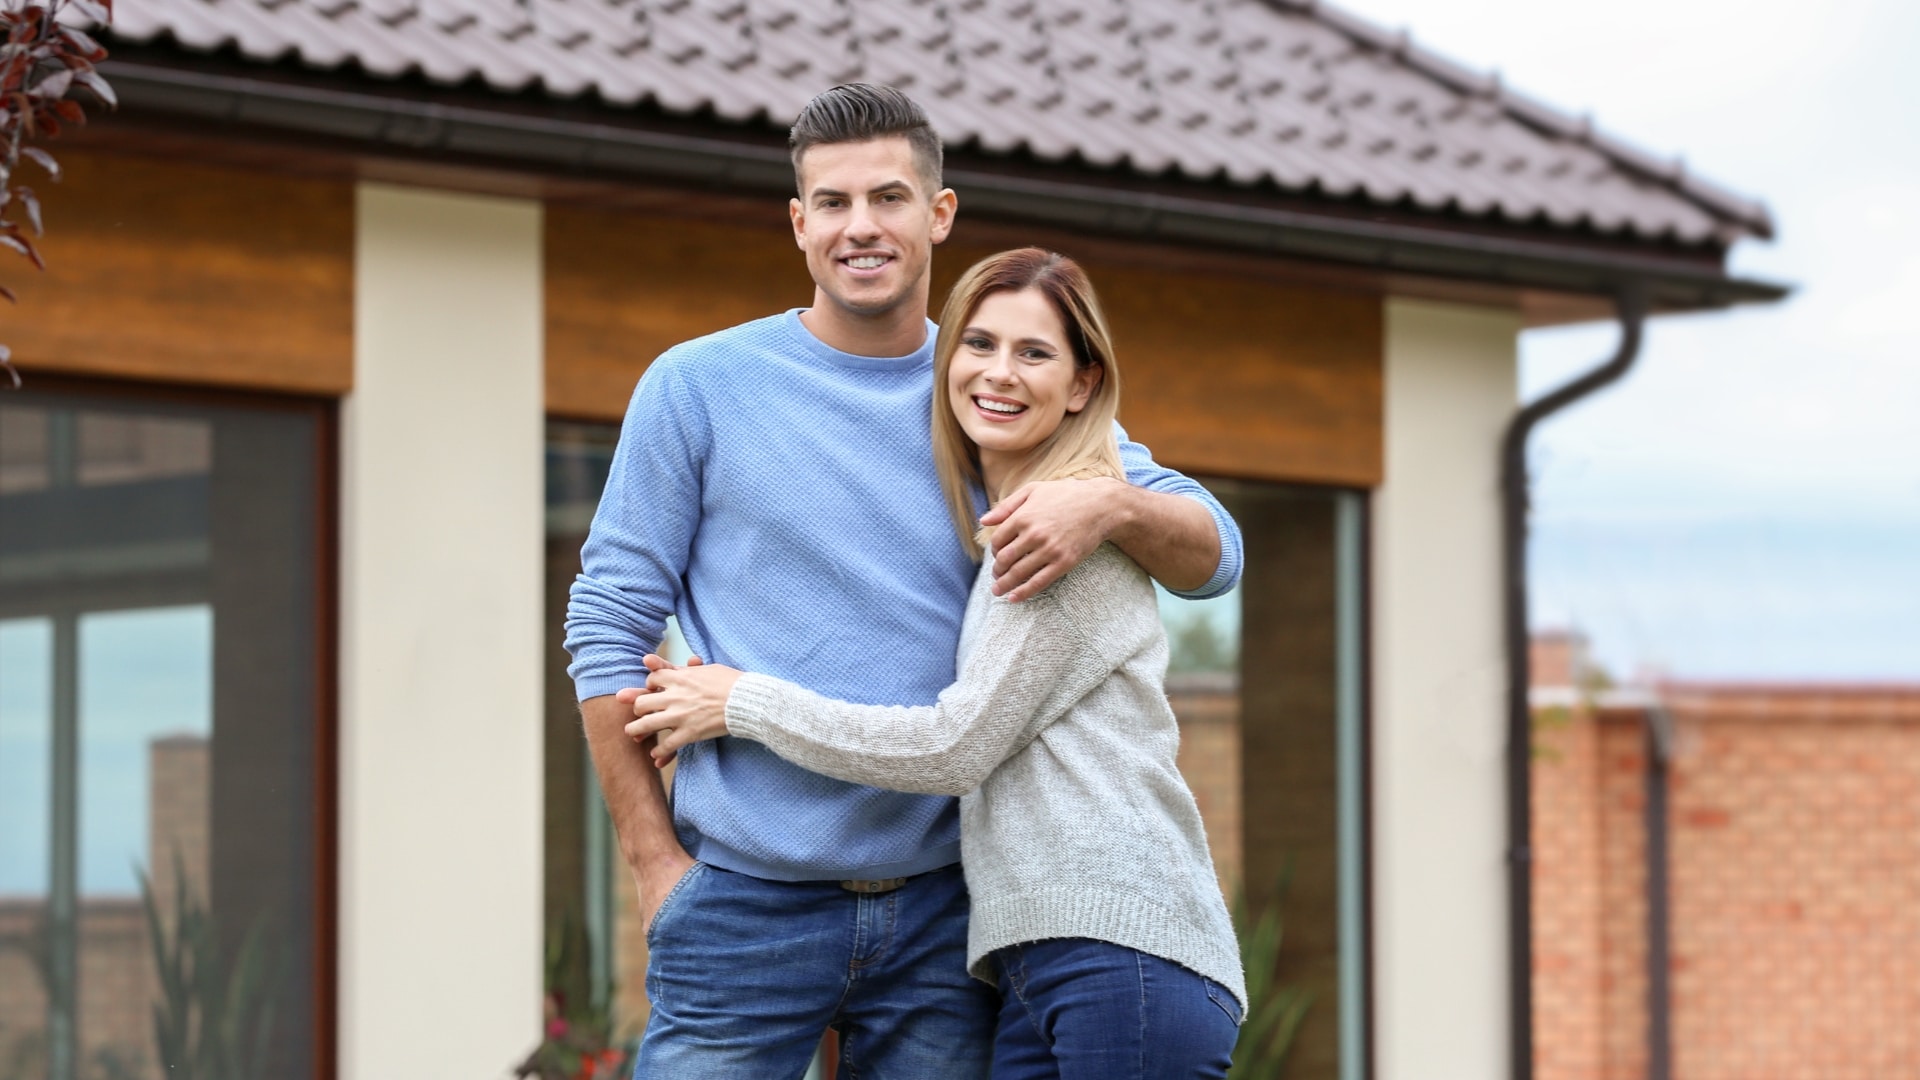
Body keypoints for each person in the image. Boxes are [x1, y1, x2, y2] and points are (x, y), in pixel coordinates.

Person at [564, 84, 1243, 1078]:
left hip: (943, 911)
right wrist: (654, 862)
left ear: (940, 214)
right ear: (799, 225)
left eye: (888, 197)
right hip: (743, 896)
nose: (861, 227)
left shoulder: (990, 393)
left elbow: (1217, 552)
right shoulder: (697, 386)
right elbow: (606, 620)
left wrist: (1113, 505)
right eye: (832, 204)